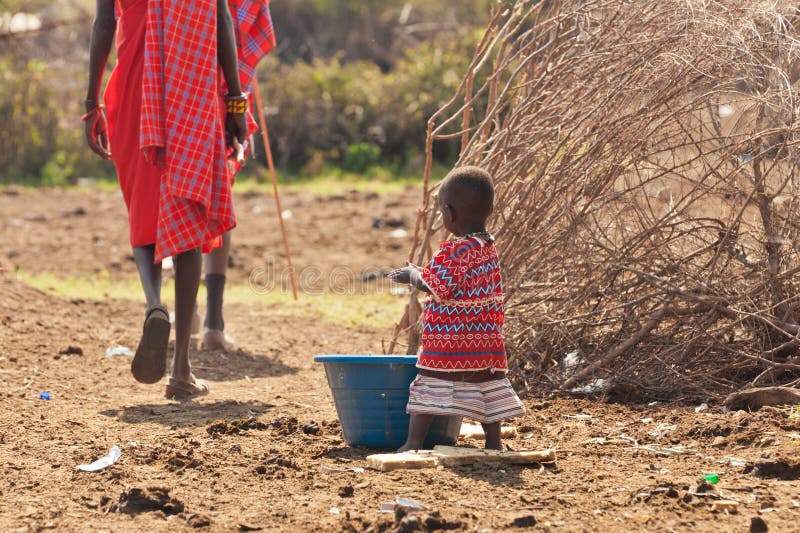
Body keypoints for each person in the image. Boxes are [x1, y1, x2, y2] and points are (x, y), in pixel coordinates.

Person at [83, 0, 266, 398]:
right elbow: (221, 20)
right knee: (190, 211)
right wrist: (236, 101)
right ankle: (181, 369)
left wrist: (90, 103)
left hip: (132, 88)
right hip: (191, 88)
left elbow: (103, 25)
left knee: (143, 208)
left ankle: (153, 304)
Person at [389, 166, 526, 451]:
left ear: (449, 213)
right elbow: (450, 281)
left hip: (450, 342)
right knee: (487, 388)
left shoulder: (453, 250)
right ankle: (494, 442)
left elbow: (436, 284)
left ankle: (413, 443)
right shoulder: (487, 247)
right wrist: (422, 272)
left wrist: (410, 275)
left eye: (441, 212)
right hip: (486, 342)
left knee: (428, 386)